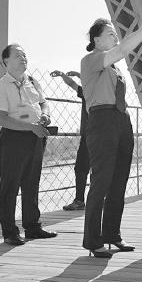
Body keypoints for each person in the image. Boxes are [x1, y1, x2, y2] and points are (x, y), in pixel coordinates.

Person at [81, 9, 142, 258]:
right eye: (110, 34)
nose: (115, 38)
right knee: (101, 181)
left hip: (121, 121)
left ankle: (112, 234)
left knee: (119, 181)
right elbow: (122, 50)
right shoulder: (91, 60)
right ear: (97, 39)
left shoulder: (115, 69)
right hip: (102, 120)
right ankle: (93, 240)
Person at [0, 44, 58, 246]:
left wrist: (45, 114)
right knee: (10, 186)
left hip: (36, 136)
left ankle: (32, 227)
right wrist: (30, 127)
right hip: (14, 138)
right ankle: (10, 232)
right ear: (6, 61)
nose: (24, 58)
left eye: (25, 55)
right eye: (18, 55)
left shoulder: (33, 82)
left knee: (31, 183)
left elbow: (43, 102)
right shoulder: (0, 86)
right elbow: (1, 118)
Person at [50, 70, 90, 211]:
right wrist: (64, 75)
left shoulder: (90, 91)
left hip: (93, 135)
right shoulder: (93, 91)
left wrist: (74, 75)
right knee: (83, 168)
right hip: (91, 136)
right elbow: (72, 83)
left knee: (84, 168)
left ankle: (84, 200)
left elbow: (73, 84)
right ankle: (86, 200)